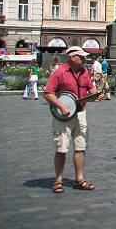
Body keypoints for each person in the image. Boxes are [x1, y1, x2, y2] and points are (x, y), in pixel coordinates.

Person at [43, 46, 103, 193]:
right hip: (63, 115)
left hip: (80, 113)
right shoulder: (60, 72)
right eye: (81, 57)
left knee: (80, 146)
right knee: (61, 148)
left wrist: (96, 94)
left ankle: (79, 179)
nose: (84, 59)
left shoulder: (83, 72)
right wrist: (61, 106)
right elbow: (48, 93)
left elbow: (91, 89)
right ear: (71, 57)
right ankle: (58, 180)